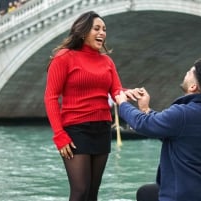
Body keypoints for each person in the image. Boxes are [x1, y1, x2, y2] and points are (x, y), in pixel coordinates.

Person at [44, 11, 132, 201]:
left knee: (92, 193)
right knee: (80, 191)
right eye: (97, 28)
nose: (102, 33)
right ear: (83, 32)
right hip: (75, 130)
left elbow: (116, 90)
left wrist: (130, 93)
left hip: (101, 129)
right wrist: (60, 136)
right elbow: (51, 98)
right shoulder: (64, 57)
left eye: (104, 29)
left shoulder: (107, 61)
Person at [115, 58, 201, 201]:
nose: (186, 74)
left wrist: (123, 104)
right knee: (146, 193)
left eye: (189, 72)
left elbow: (143, 124)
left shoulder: (183, 113)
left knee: (146, 194)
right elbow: (170, 130)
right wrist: (145, 109)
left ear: (193, 87)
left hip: (183, 194)